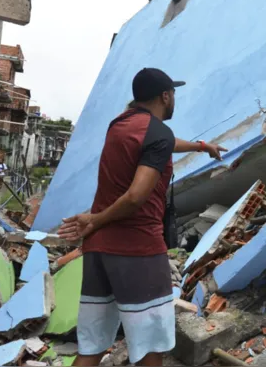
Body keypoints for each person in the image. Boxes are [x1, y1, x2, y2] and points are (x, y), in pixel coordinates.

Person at [58, 68, 227, 366]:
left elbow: (163, 143)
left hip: (99, 251)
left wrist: (203, 147)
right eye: (173, 94)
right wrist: (94, 219)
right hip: (136, 251)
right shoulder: (157, 134)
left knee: (92, 345)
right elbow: (137, 196)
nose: (175, 99)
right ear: (165, 96)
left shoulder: (121, 125)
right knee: (150, 347)